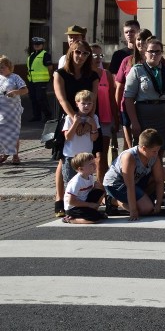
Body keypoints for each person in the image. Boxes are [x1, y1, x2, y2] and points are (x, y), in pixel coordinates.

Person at [53, 40, 99, 216]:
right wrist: (75, 120)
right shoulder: (61, 73)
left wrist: (87, 120)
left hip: (89, 119)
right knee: (63, 160)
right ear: (71, 53)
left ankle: (81, 197)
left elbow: (93, 100)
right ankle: (60, 198)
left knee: (85, 156)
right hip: (67, 118)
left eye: (85, 53)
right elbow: (62, 99)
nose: (81, 56)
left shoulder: (92, 75)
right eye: (78, 52)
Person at [124, 38, 165, 154]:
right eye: (151, 51)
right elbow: (128, 98)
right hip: (144, 118)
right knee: (144, 151)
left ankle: (158, 172)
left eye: (158, 51)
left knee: (160, 151)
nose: (154, 54)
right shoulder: (137, 71)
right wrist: (134, 122)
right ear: (145, 52)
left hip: (164, 118)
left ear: (162, 53)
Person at [103, 128, 165, 221]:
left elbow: (159, 180)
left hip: (136, 180)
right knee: (146, 209)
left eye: (157, 150)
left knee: (163, 172)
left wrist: (158, 204)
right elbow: (130, 186)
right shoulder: (129, 157)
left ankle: (142, 200)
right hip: (116, 183)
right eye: (154, 151)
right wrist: (133, 210)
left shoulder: (154, 156)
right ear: (144, 148)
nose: (156, 154)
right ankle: (111, 200)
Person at [115, 28, 153, 151]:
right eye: (138, 39)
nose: (141, 42)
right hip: (127, 107)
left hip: (148, 108)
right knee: (131, 147)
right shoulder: (127, 61)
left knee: (147, 144)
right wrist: (117, 109)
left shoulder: (157, 60)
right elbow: (119, 86)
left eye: (144, 39)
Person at [91, 44, 119, 178]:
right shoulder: (84, 75)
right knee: (88, 157)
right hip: (88, 120)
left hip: (105, 120)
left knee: (101, 156)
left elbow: (112, 99)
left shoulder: (106, 74)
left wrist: (116, 118)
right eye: (94, 55)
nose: (98, 58)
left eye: (100, 55)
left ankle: (102, 190)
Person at [62, 152, 105, 224]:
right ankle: (70, 219)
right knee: (95, 219)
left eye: (94, 163)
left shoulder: (90, 177)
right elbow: (71, 201)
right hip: (73, 207)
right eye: (91, 164)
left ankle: (94, 211)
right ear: (81, 169)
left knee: (100, 190)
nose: (95, 165)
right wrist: (89, 204)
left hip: (84, 202)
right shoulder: (76, 182)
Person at [0, 55, 28, 165]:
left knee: (14, 132)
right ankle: (4, 153)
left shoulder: (15, 77)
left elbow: (25, 90)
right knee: (2, 132)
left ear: (9, 67)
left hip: (13, 111)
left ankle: (15, 155)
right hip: (1, 111)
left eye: (2, 67)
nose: (0, 69)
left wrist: (16, 92)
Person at [26, 37, 52, 122]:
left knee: (41, 98)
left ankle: (48, 115)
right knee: (33, 98)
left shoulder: (45, 55)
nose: (37, 46)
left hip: (41, 81)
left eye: (39, 44)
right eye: (35, 44)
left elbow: (50, 68)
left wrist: (50, 78)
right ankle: (37, 116)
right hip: (32, 80)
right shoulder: (32, 55)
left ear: (42, 45)